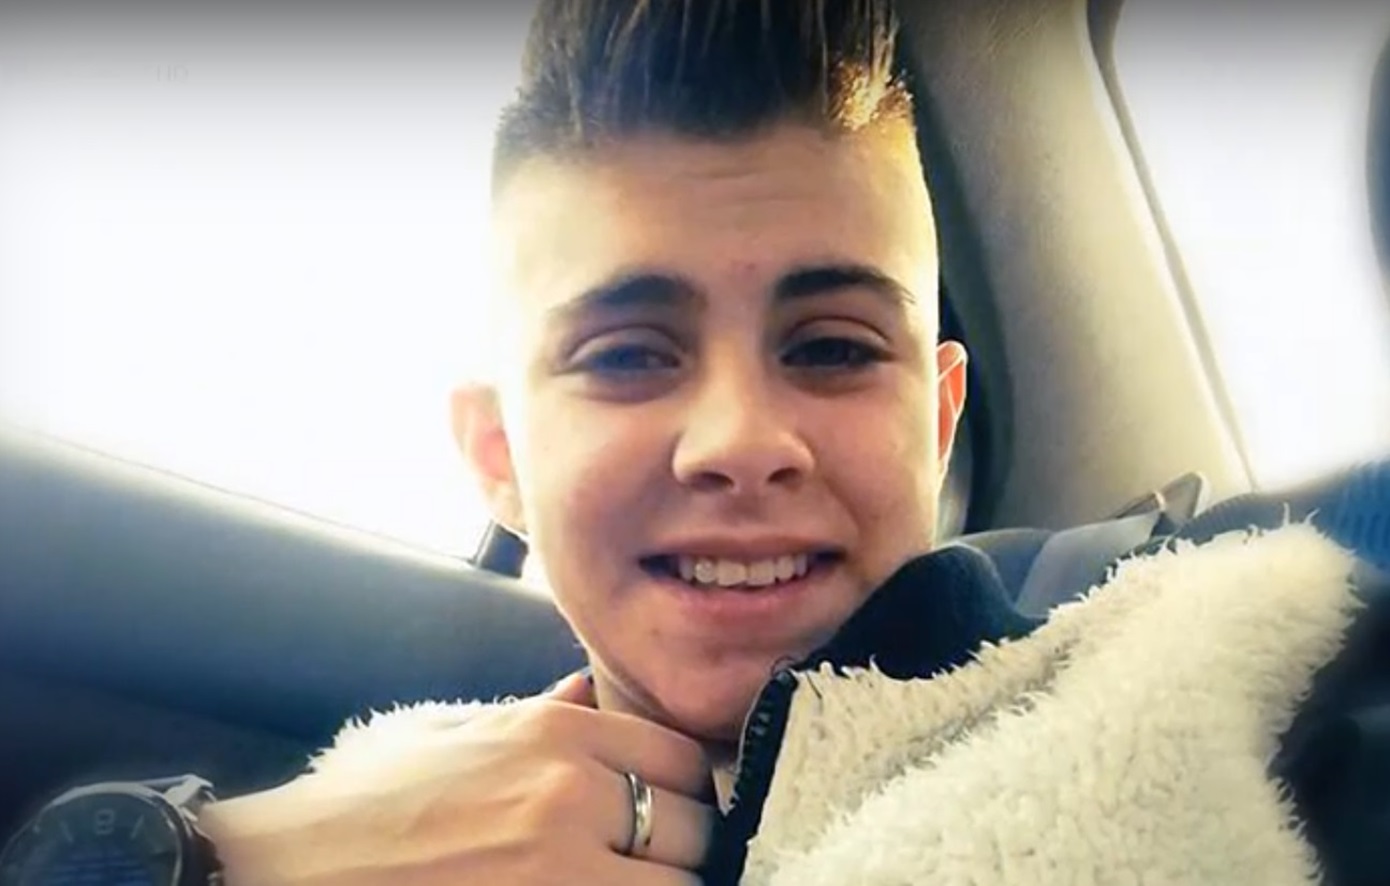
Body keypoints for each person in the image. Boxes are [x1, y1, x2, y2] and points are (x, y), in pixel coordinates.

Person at [25, 1, 1390, 884]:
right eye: (628, 355)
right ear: (498, 457)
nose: (740, 441)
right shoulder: (373, 813)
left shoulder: (1231, 699)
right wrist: (222, 858)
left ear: (936, 419)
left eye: (832, 347)